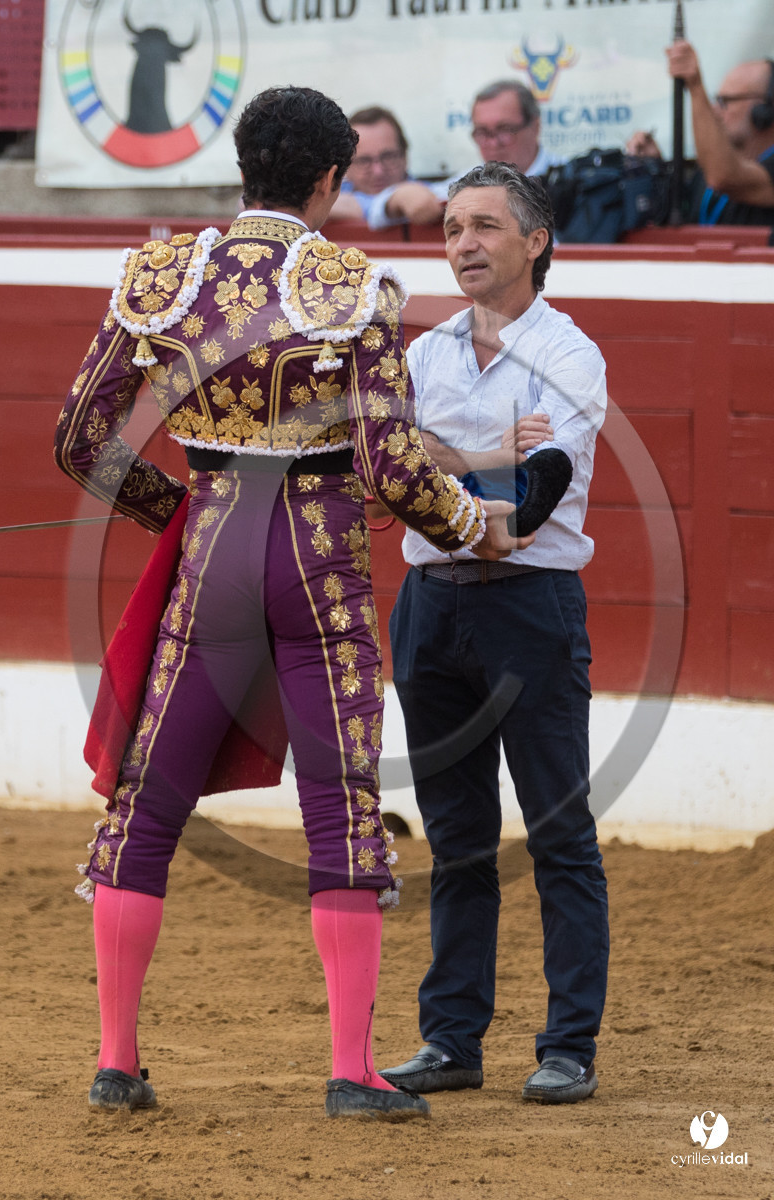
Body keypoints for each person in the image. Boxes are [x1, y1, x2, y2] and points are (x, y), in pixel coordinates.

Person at [53, 86, 527, 1124]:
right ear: (326, 179)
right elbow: (390, 467)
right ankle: (352, 1069)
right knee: (339, 805)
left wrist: (176, 511)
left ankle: (116, 1061)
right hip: (316, 554)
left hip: (212, 546)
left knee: (147, 806)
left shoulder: (161, 277)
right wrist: (472, 526)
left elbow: (80, 440)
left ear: (242, 168)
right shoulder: (352, 288)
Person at [379, 162, 610, 1105]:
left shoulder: (569, 352)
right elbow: (390, 468)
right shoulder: (426, 353)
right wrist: (476, 472)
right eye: (450, 228)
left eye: (482, 226)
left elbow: (542, 483)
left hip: (528, 605)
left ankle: (570, 1045)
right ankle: (452, 1040)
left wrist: (447, 472)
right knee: (457, 835)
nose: (462, 244)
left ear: (535, 240)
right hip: (430, 606)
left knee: (558, 830)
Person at [374, 80, 559, 230]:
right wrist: (400, 197)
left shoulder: (570, 178)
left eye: (504, 130)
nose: (492, 143)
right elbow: (377, 210)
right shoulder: (472, 180)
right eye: (482, 133)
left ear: (535, 126)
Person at [628, 43, 774, 226]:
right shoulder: (707, 170)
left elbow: (724, 177)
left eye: (725, 101)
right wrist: (655, 165)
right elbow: (685, 213)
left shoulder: (720, 170)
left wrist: (695, 85)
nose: (715, 111)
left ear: (764, 110)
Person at [329, 105, 446, 229]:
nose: (378, 171)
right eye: (364, 161)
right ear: (346, 165)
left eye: (388, 157)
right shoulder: (331, 191)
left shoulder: (432, 196)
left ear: (404, 156)